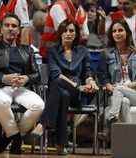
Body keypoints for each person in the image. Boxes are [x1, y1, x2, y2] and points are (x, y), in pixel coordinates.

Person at [31, 19, 98, 156]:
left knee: (61, 87)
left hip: (76, 95)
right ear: (60, 34)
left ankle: (42, 125)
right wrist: (78, 86)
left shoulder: (83, 51)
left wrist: (91, 82)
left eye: (71, 31)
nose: (68, 33)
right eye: (65, 31)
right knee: (61, 91)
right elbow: (57, 74)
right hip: (61, 92)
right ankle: (61, 145)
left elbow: (88, 72)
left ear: (76, 34)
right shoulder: (53, 52)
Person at [0, 13, 45, 154]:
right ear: (2, 29)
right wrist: (4, 78)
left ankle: (7, 137)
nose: (10, 28)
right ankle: (16, 138)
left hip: (22, 88)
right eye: (7, 25)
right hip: (0, 88)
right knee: (0, 100)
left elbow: (37, 75)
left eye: (14, 26)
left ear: (18, 31)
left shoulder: (27, 50)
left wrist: (26, 78)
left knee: (39, 105)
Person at [97, 19, 136, 142]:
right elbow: (102, 77)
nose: (117, 33)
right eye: (114, 31)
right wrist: (110, 87)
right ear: (111, 34)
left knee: (120, 90)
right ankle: (129, 142)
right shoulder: (105, 54)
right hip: (115, 95)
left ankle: (109, 123)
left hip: (133, 92)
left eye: (120, 30)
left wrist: (129, 86)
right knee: (123, 101)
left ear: (127, 33)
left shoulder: (135, 53)